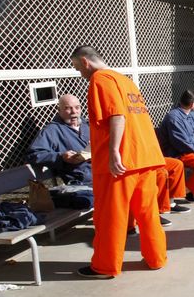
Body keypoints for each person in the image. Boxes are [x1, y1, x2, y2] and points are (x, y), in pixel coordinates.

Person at [71, 45, 166, 279]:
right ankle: (156, 258)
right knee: (147, 214)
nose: (78, 73)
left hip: (121, 163)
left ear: (85, 62)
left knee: (110, 216)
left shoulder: (100, 79)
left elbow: (117, 115)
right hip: (144, 157)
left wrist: (114, 152)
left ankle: (105, 265)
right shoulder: (125, 81)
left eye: (76, 67)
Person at [27, 94, 92, 185]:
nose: (74, 112)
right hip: (82, 182)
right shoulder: (52, 131)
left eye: (77, 107)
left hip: (103, 174)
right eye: (68, 108)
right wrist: (61, 157)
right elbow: (34, 155)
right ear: (59, 111)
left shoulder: (88, 125)